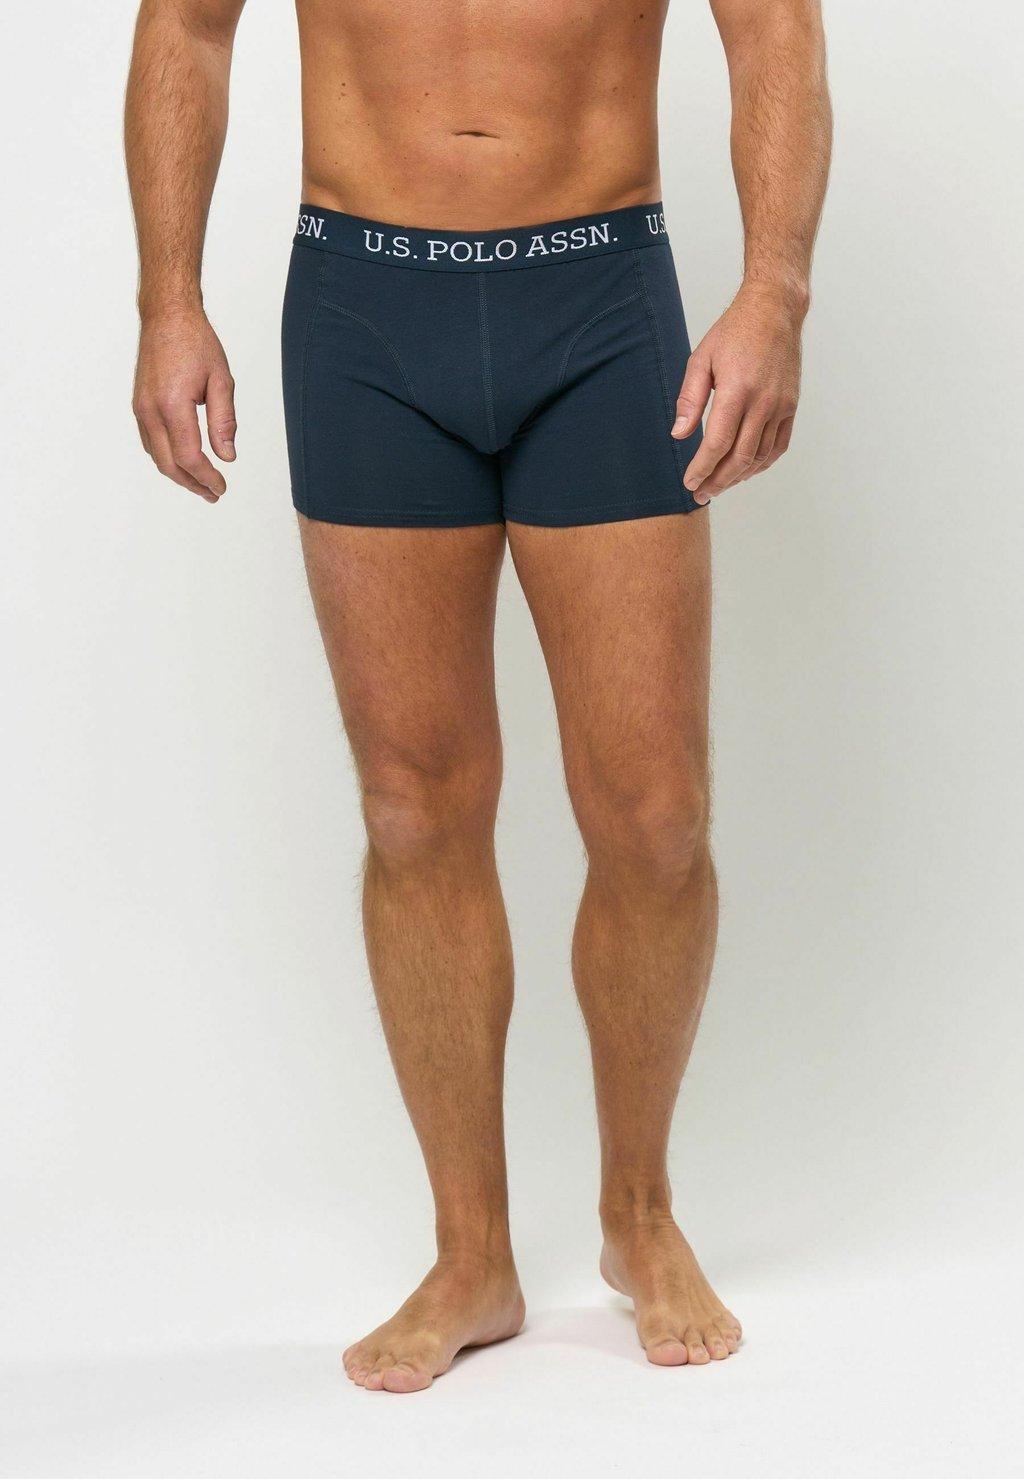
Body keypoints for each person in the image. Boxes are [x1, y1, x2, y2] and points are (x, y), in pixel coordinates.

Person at [126, 0, 831, 1392]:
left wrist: (776, 293)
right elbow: (189, 27)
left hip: (600, 294)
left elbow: (774, 30)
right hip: (362, 304)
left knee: (655, 816)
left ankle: (639, 1213)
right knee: (413, 805)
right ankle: (472, 1255)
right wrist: (169, 299)